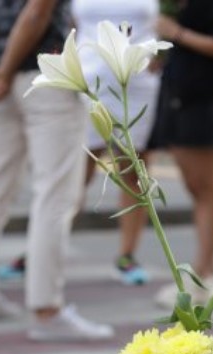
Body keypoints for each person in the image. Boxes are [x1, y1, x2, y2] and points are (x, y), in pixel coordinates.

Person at [0, 0, 113, 341]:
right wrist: (3, 72)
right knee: (56, 194)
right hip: (45, 74)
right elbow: (36, 12)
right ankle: (47, 309)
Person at [150, 0, 213, 308]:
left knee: (206, 188)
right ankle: (206, 271)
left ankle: (206, 273)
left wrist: (176, 32)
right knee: (197, 187)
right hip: (181, 96)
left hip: (203, 100)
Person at [73, 0, 162, 286]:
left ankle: (127, 255)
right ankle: (44, 248)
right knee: (75, 170)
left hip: (137, 79)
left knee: (133, 169)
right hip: (88, 78)